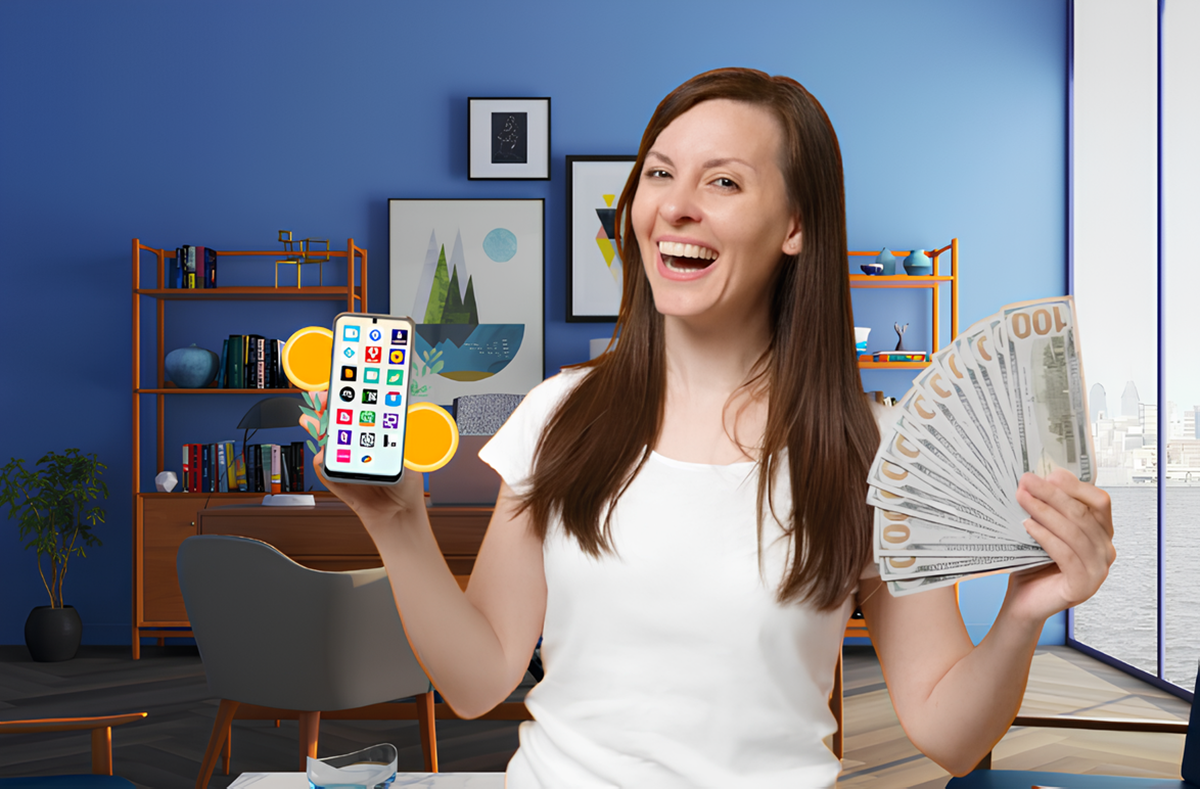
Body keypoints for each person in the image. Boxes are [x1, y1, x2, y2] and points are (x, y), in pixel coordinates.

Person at [311, 68, 1115, 787]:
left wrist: (1021, 612)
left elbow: (946, 732)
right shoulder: (559, 416)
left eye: (723, 181)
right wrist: (399, 523)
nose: (675, 205)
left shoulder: (871, 449)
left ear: (796, 226)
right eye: (658, 174)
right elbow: (479, 678)